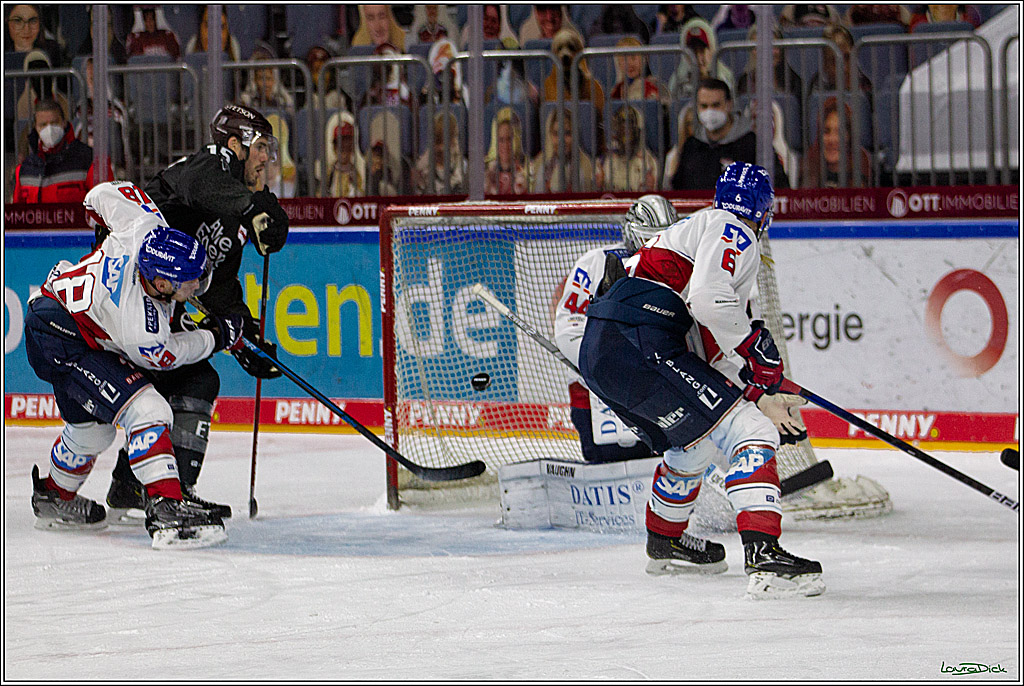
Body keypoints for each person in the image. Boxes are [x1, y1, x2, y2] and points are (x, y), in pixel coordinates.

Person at [577, 162, 824, 598]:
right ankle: (764, 555)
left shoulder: (697, 232)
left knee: (696, 440)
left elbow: (709, 348)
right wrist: (754, 348)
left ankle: (665, 541)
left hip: (606, 350)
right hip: (641, 340)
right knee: (752, 432)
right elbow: (710, 302)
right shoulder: (733, 228)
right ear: (764, 211)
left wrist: (758, 393)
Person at [96, 104, 289, 525]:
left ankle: (142, 486)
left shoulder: (235, 210)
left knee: (196, 379)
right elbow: (199, 182)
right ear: (234, 145)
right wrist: (251, 206)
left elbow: (218, 285)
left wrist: (245, 336)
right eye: (259, 146)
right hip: (127, 296)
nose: (266, 157)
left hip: (159, 300)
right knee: (175, 378)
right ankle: (162, 492)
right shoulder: (211, 166)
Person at [25, 181, 241, 548]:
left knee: (93, 433)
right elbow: (171, 354)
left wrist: (102, 236)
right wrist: (217, 337)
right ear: (160, 283)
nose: (196, 287)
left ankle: (53, 497)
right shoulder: (140, 325)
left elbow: (97, 195)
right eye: (188, 283)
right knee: (147, 409)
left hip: (53, 316)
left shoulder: (143, 225)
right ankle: (166, 508)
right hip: (64, 340)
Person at [554, 195, 678, 463]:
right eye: (650, 238)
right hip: (600, 398)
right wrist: (608, 367)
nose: (656, 247)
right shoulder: (596, 263)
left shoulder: (679, 269)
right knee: (608, 465)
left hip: (659, 394)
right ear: (632, 233)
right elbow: (569, 328)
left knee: (662, 466)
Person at [668, 78, 789, 191]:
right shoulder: (691, 147)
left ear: (729, 105)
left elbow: (778, 188)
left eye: (716, 105)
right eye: (704, 106)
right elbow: (678, 192)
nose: (709, 111)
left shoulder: (753, 145)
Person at [12, 99, 108, 204]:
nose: (49, 129)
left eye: (54, 123)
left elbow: (105, 205)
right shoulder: (25, 169)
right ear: (36, 127)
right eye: (43, 125)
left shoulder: (89, 160)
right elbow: (18, 210)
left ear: (64, 122)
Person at [802, 96, 872, 188]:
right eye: (826, 131)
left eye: (840, 132)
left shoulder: (861, 161)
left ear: (849, 137)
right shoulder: (810, 161)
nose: (832, 139)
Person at [530, 106, 594, 193]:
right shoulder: (539, 164)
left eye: (567, 133)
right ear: (550, 135)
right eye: (556, 134)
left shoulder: (586, 165)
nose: (562, 140)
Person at [595, 105, 659, 192]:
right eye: (621, 125)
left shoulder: (649, 162)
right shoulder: (604, 161)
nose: (625, 130)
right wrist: (598, 187)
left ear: (638, 131)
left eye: (629, 126)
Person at [413, 110, 466, 194]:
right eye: (438, 142)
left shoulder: (463, 167)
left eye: (446, 141)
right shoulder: (422, 167)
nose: (441, 148)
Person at [484, 107, 529, 195]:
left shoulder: (527, 170)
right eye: (501, 140)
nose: (505, 145)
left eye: (509, 139)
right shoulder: (486, 173)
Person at [609, 37, 663, 103]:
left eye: (633, 58)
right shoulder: (616, 91)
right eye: (624, 59)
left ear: (642, 60)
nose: (629, 63)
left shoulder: (651, 88)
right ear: (618, 64)